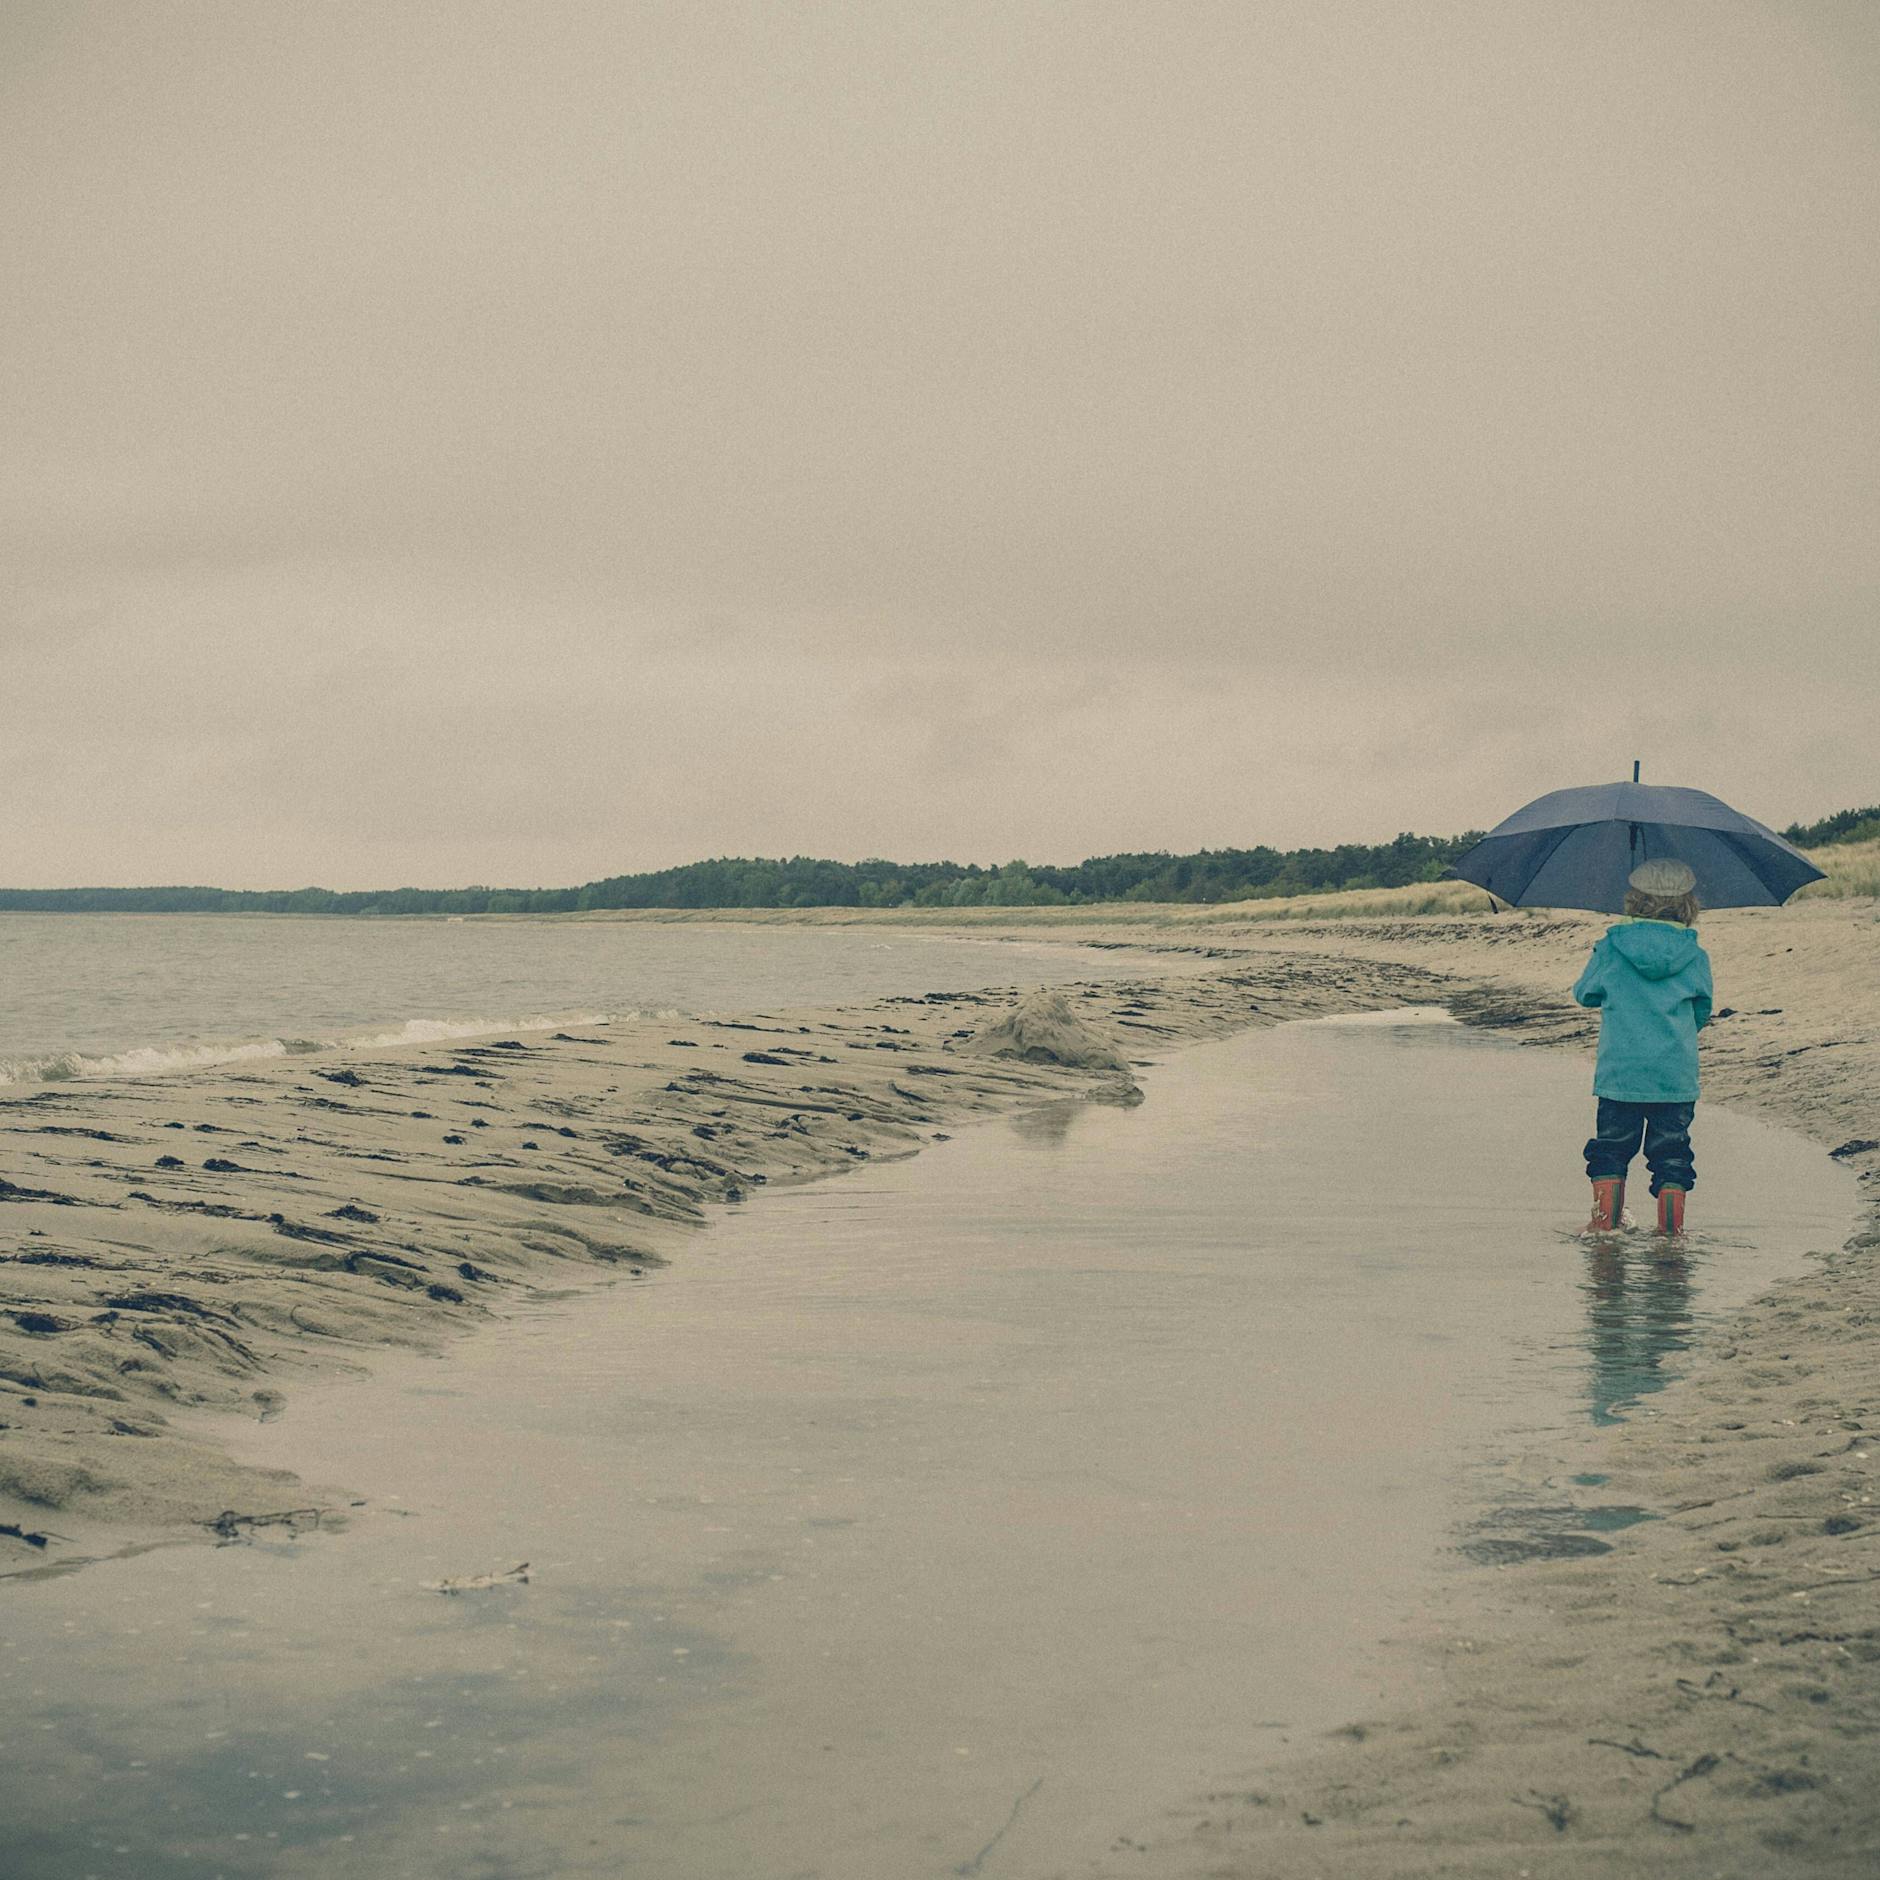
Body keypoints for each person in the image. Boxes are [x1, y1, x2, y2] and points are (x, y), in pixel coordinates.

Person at [1570, 858, 1713, 1236]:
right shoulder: (1694, 954)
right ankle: (1671, 1236)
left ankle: (1605, 1227)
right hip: (1674, 1074)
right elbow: (1702, 1011)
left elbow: (1585, 994)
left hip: (1621, 1072)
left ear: (1634, 900)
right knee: (1672, 1156)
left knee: (1612, 1150)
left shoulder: (1612, 946)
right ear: (1687, 905)